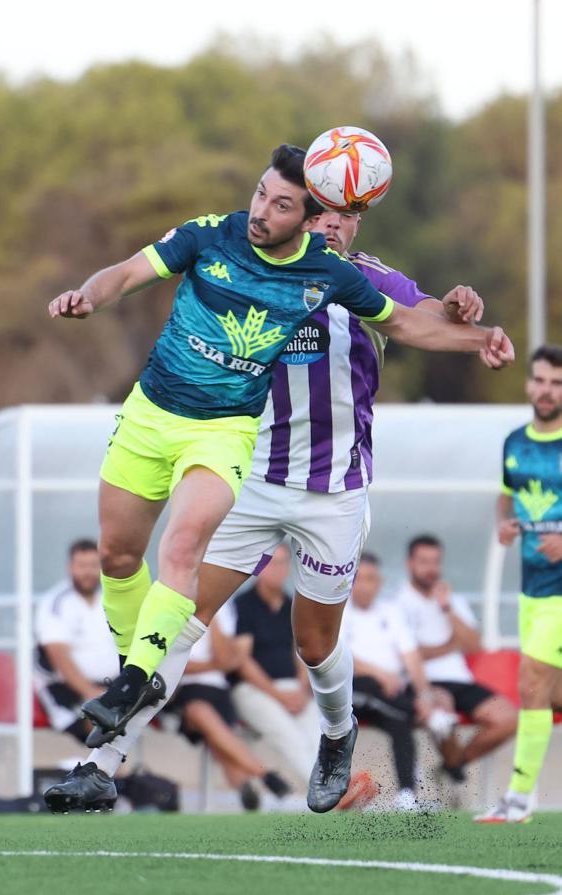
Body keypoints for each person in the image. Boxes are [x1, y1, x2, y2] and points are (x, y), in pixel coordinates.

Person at [44, 143, 514, 814]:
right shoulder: (249, 257)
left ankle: (336, 731)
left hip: (332, 493)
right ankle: (103, 760)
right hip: (253, 478)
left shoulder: (364, 280)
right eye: (321, 210)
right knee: (185, 616)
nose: (332, 225)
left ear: (359, 222)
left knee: (314, 642)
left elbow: (423, 319)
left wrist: (469, 319)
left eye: (347, 216)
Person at [476, 345, 562, 824]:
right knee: (547, 692)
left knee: (530, 684)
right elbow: (505, 498)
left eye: (556, 382)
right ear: (529, 384)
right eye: (541, 380)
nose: (546, 390)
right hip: (533, 588)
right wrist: (504, 526)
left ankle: (518, 800)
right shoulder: (514, 442)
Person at [396, 535, 517, 790]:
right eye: (424, 561)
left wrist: (447, 609)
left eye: (435, 561)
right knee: (442, 714)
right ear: (410, 564)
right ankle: (454, 771)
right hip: (423, 682)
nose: (431, 568)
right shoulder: (397, 602)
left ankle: (452, 766)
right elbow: (407, 655)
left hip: (461, 680)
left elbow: (474, 645)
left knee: (509, 718)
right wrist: (450, 645)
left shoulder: (452, 601)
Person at [344, 552, 458, 810]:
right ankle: (427, 715)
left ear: (379, 582)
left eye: (371, 579)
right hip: (352, 692)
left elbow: (411, 658)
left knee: (399, 723)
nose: (364, 585)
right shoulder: (338, 611)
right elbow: (338, 656)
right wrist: (379, 674)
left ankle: (406, 795)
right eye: (359, 579)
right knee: (372, 688)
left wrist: (425, 695)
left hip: (391, 696)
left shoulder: (390, 611)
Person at [170, 614, 292, 810]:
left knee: (219, 740)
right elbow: (175, 665)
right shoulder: (175, 604)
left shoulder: (223, 611)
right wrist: (213, 664)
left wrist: (212, 618)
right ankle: (263, 774)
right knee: (202, 714)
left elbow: (227, 661)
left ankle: (246, 786)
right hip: (186, 691)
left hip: (218, 690)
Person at [228, 543, 320, 788]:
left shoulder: (292, 604)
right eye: (271, 563)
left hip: (292, 687)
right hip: (254, 689)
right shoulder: (244, 604)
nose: (277, 569)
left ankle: (333, 786)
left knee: (319, 732)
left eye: (282, 563)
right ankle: (324, 794)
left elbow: (300, 652)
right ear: (259, 567)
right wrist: (277, 694)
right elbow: (242, 660)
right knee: (287, 734)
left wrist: (301, 688)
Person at [34, 539, 119, 744]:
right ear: (70, 568)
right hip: (68, 690)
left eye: (93, 565)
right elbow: (59, 657)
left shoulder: (111, 599)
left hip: (111, 686)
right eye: (82, 566)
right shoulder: (56, 603)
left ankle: (116, 773)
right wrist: (92, 693)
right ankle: (108, 772)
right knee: (102, 720)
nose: (88, 572)